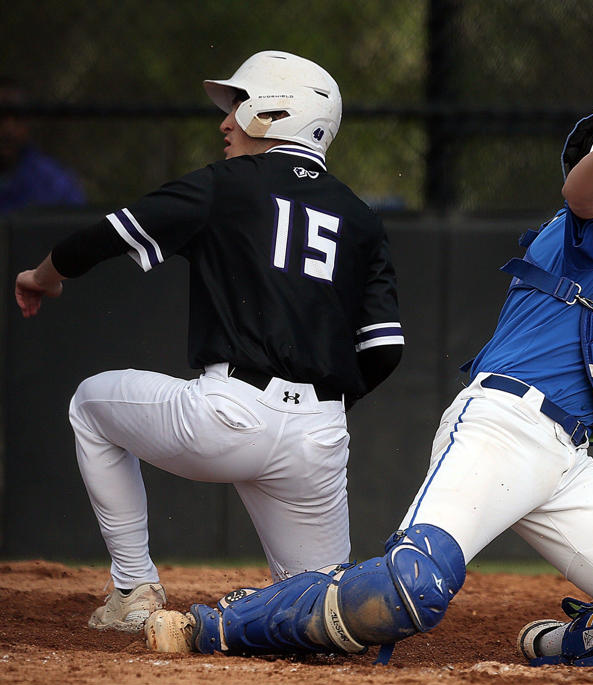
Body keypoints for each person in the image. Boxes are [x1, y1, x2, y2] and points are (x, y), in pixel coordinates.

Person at [143, 108, 593, 667]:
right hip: (505, 426)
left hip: (565, 457)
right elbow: (584, 194)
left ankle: (561, 644)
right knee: (411, 589)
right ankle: (216, 625)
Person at [14, 50, 404, 633]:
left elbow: (106, 234)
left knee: (90, 404)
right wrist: (312, 413)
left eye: (240, 104)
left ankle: (133, 588)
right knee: (321, 613)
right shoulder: (362, 218)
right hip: (318, 441)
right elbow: (383, 349)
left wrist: (42, 276)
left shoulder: (227, 185)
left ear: (277, 112)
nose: (226, 122)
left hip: (225, 417)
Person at [0, 77, 86, 214]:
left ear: (28, 122)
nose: (8, 129)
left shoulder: (55, 184)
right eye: (1, 117)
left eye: (17, 118)